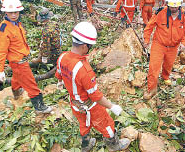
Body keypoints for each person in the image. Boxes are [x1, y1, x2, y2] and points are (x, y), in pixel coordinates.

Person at [55, 22, 131, 152]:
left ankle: (86, 145)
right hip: (89, 105)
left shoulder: (62, 57)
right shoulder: (84, 70)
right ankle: (114, 145)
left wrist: (61, 82)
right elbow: (95, 96)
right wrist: (112, 106)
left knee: (83, 124)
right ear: (85, 46)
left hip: (74, 103)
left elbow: (59, 74)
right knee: (107, 123)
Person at [0, 0, 52, 114]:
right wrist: (0, 70)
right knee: (31, 84)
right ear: (5, 12)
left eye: (16, 12)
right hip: (18, 62)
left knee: (17, 78)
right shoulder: (4, 29)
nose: (14, 15)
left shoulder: (17, 23)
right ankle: (39, 107)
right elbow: (2, 51)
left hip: (20, 59)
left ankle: (16, 92)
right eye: (11, 13)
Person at [143, 0, 185, 99]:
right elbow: (149, 27)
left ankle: (165, 77)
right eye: (171, 7)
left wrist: (184, 44)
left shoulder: (184, 15)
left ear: (180, 5)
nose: (173, 9)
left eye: (175, 7)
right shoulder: (160, 12)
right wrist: (146, 40)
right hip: (159, 44)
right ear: (167, 4)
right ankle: (151, 89)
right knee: (153, 67)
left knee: (168, 64)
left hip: (174, 46)